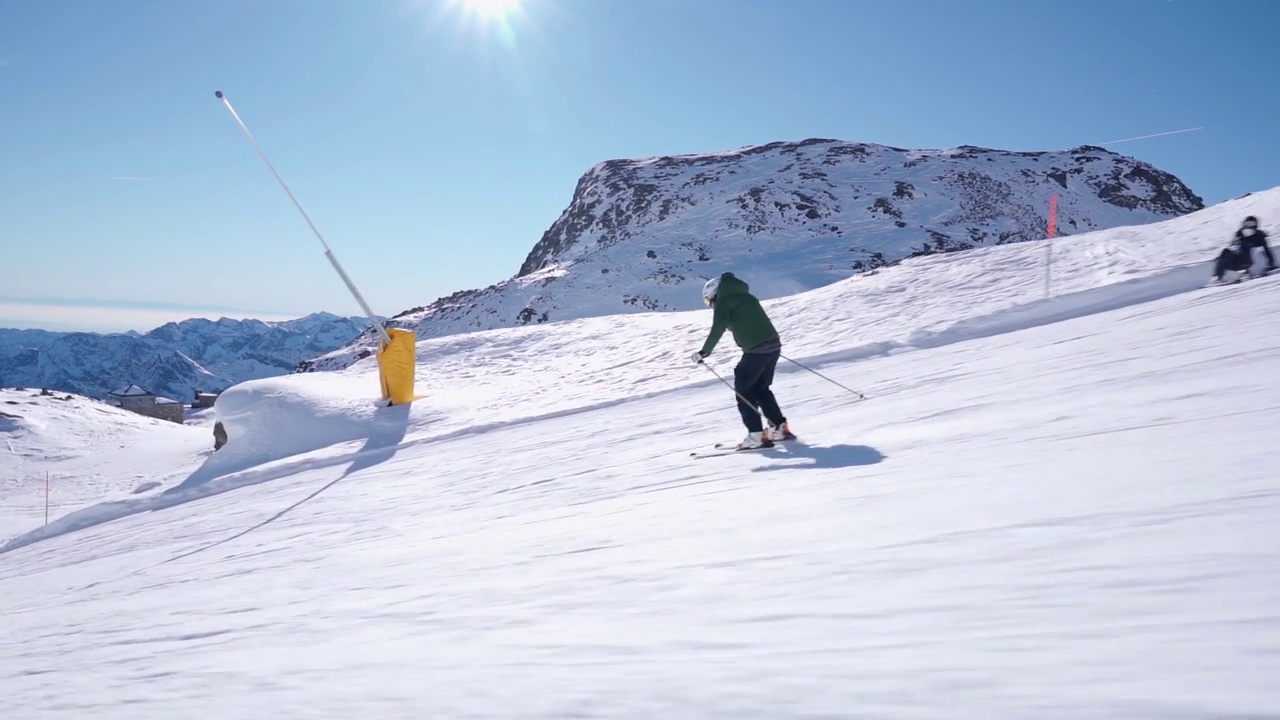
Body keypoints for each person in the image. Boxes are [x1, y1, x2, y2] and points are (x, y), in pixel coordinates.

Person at [692, 272, 796, 450]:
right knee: (761, 388)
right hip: (772, 346)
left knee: (743, 391)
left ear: (715, 294)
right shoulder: (747, 297)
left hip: (757, 350)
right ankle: (779, 427)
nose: (711, 305)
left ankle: (756, 436)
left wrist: (704, 352)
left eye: (709, 301)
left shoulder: (725, 302)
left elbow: (718, 328)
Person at [1213, 215, 1275, 283]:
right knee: (1225, 251)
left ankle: (1252, 271)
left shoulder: (1259, 235)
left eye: (1251, 224)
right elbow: (1233, 246)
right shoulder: (1240, 233)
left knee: (1252, 248)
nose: (1249, 226)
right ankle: (1220, 276)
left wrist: (1271, 264)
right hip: (1239, 260)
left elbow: (1267, 251)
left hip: (1252, 261)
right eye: (1247, 224)